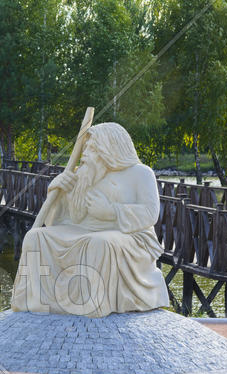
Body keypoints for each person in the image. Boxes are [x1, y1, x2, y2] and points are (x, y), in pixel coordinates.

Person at [10, 122, 169, 317]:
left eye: (92, 148)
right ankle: (35, 300)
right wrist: (58, 192)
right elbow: (63, 220)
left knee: (99, 243)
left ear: (110, 148)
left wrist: (112, 212)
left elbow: (150, 213)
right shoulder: (83, 174)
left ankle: (89, 303)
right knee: (36, 237)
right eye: (85, 148)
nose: (84, 154)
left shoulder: (140, 173)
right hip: (83, 229)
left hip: (130, 236)